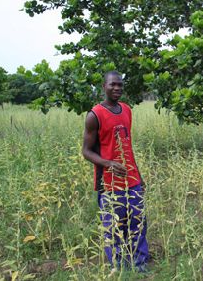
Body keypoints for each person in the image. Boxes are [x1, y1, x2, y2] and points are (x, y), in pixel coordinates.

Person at [82, 71, 149, 271]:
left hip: (132, 180)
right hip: (109, 184)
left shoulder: (127, 110)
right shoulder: (94, 115)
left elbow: (128, 147)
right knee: (113, 228)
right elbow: (85, 151)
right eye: (112, 85)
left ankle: (139, 264)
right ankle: (118, 268)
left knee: (138, 222)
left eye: (120, 85)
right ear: (104, 86)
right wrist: (108, 163)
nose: (117, 88)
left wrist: (139, 175)